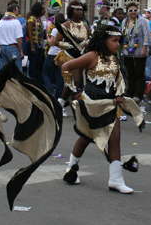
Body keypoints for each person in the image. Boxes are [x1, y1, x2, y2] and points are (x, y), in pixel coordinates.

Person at [61, 26, 144, 193]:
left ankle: (116, 180)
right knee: (86, 137)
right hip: (92, 104)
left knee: (115, 138)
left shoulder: (114, 59)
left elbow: (119, 78)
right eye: (114, 41)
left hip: (111, 104)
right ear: (103, 41)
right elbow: (66, 67)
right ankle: (71, 168)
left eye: (119, 41)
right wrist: (74, 90)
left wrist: (120, 94)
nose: (117, 44)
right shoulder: (92, 56)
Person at [53, 1, 90, 112]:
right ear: (71, 11)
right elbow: (56, 42)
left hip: (80, 57)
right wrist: (70, 45)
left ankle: (59, 105)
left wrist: (87, 44)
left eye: (81, 10)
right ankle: (80, 109)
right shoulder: (66, 25)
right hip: (66, 57)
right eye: (77, 10)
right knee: (76, 82)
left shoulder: (86, 26)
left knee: (70, 84)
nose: (80, 12)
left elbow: (88, 40)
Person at [120, 2, 151, 102]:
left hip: (139, 50)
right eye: (131, 10)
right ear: (127, 12)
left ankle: (138, 94)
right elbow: (122, 35)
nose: (133, 12)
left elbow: (147, 35)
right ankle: (130, 92)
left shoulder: (143, 21)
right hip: (127, 51)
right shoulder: (125, 21)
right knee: (130, 73)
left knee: (139, 73)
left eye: (135, 10)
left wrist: (144, 49)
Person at [42, 12, 66, 98]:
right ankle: (59, 94)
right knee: (59, 75)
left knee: (45, 73)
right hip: (61, 54)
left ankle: (50, 90)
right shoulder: (65, 30)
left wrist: (48, 37)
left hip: (52, 54)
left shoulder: (55, 30)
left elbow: (51, 43)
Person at [0, 3, 24, 72]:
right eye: (17, 11)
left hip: (2, 48)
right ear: (13, 11)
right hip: (13, 48)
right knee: (16, 71)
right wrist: (21, 51)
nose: (18, 13)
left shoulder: (1, 22)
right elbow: (19, 38)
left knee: (4, 71)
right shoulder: (16, 22)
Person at [26, 2, 47, 80]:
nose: (44, 10)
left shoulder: (40, 19)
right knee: (33, 63)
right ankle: (32, 79)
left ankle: (38, 79)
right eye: (42, 9)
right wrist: (32, 46)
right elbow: (29, 32)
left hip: (39, 44)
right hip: (33, 43)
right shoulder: (31, 19)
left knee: (39, 63)